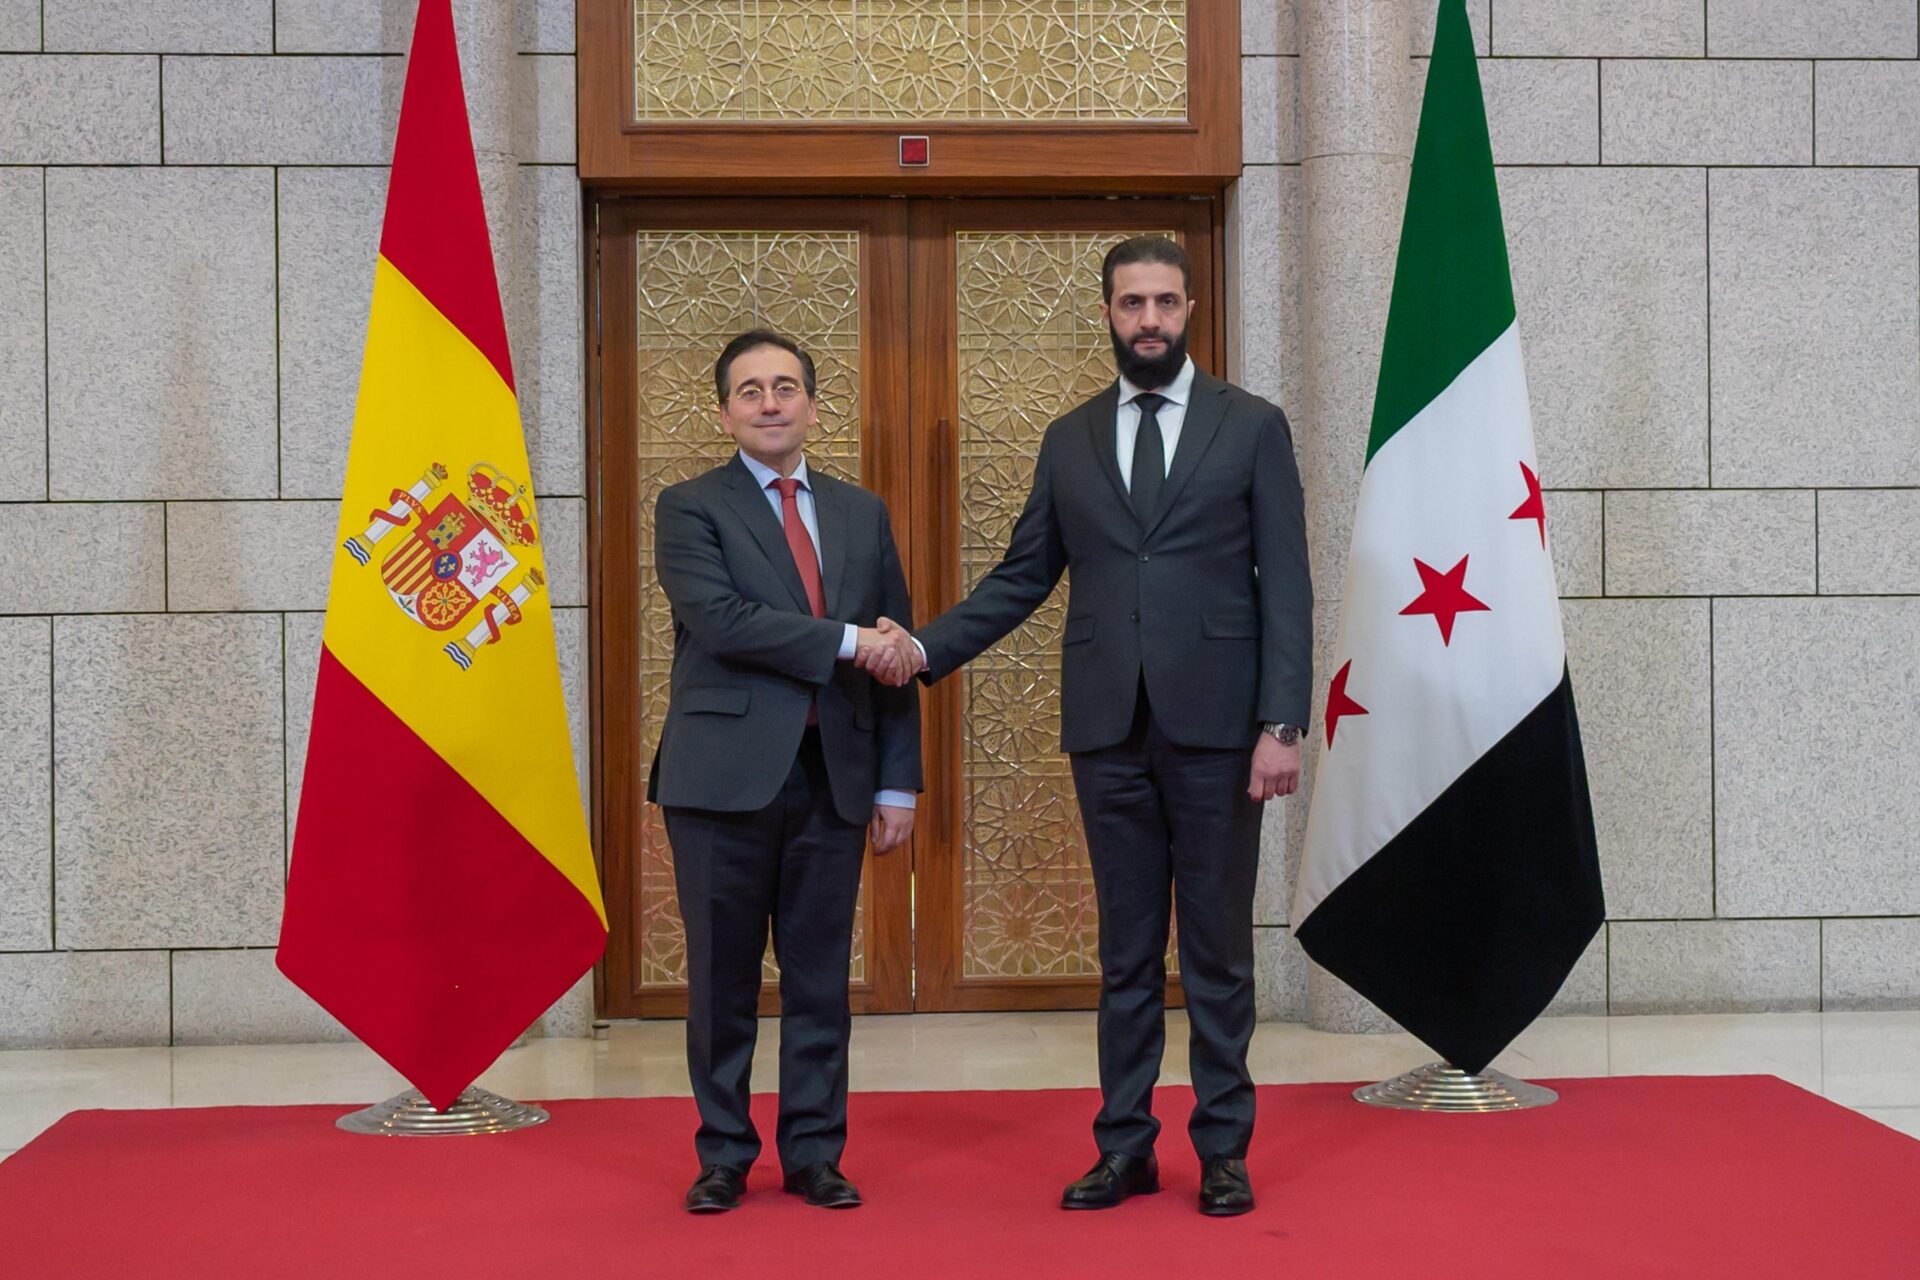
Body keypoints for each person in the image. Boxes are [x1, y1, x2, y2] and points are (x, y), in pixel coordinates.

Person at [863, 237, 1311, 1217]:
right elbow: (1023, 575)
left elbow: (1287, 582)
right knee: (1125, 952)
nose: (1148, 319)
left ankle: (1224, 1150)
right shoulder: (1070, 438)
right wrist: (925, 647)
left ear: (1189, 309)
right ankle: (1125, 1147)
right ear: (1107, 312)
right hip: (1109, 731)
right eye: (1130, 303)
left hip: (1222, 730)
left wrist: (1283, 721)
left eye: (1164, 302)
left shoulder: (1251, 425)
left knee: (1217, 952)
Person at [650, 329, 921, 1214]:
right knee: (721, 981)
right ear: (724, 412)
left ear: (811, 404)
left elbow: (896, 654)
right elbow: (723, 620)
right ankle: (724, 1156)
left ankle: (814, 1154)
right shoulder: (689, 507)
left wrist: (896, 782)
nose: (770, 403)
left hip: (833, 779)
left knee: (819, 984)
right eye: (751, 390)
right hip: (720, 783)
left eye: (786, 387)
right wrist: (849, 640)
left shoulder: (860, 513)